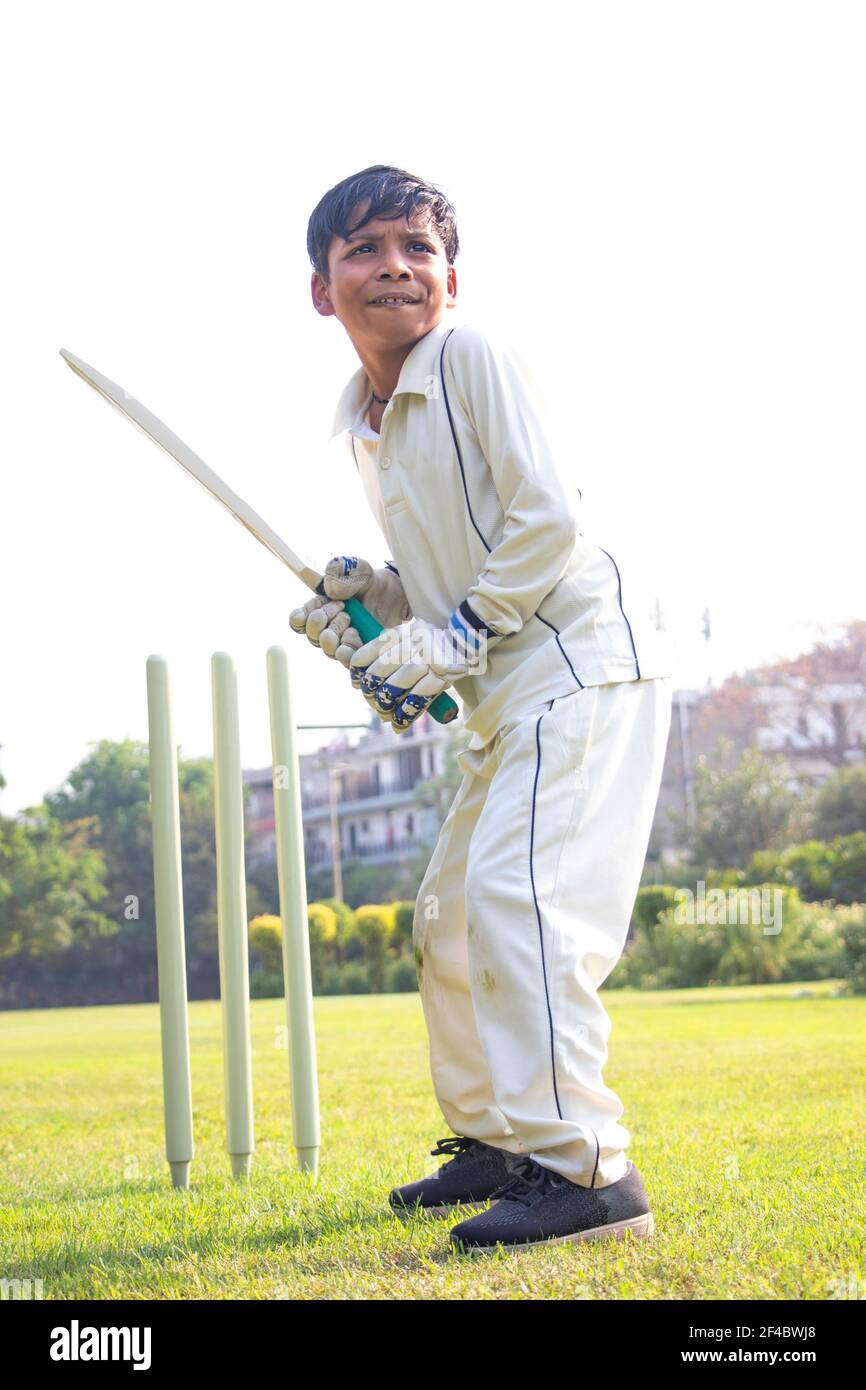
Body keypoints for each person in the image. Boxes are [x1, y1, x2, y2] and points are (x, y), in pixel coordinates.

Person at [291, 164, 673, 1254]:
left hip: (577, 660)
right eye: (364, 250)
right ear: (323, 290)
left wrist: (451, 631)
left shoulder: (466, 356)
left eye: (416, 248)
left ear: (450, 280)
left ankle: (585, 1172)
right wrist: (379, 605)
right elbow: (458, 566)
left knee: (518, 904)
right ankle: (499, 1143)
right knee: (449, 922)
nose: (394, 267)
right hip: (505, 693)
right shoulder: (367, 425)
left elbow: (546, 519)